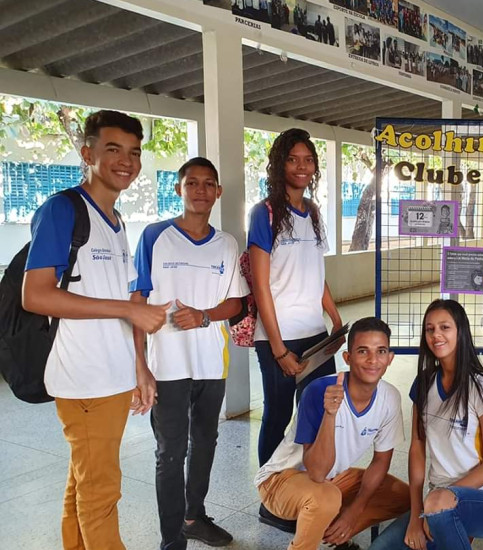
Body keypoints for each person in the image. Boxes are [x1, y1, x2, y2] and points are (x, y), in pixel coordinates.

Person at [22, 110, 170, 549]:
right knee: (101, 491)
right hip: (83, 378)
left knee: (83, 480)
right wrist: (129, 313)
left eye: (134, 152)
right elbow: (37, 295)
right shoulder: (61, 211)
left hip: (113, 375)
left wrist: (140, 368)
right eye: (112, 149)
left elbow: (123, 305)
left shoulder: (117, 222)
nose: (126, 161)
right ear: (87, 153)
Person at [130, 157, 248, 549]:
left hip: (212, 364)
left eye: (207, 184)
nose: (200, 190)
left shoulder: (227, 243)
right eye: (191, 183)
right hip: (167, 367)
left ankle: (194, 516)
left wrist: (203, 316)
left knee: (206, 441)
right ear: (178, 190)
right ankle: (171, 541)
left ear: (218, 192)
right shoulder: (154, 236)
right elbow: (136, 300)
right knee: (169, 453)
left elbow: (236, 305)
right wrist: (140, 365)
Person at [247, 129, 344, 523]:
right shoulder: (265, 213)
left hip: (314, 333)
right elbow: (260, 283)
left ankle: (308, 486)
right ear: (279, 163)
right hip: (279, 334)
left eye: (308, 160)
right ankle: (270, 500)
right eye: (293, 159)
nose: (302, 167)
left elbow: (314, 273)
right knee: (277, 413)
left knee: (322, 409)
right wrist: (277, 347)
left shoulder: (314, 213)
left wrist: (335, 320)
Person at [256, 317, 410, 550]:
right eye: (362, 351)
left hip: (333, 480)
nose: (372, 360)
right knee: (326, 497)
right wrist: (330, 414)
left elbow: (380, 462)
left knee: (404, 496)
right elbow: (316, 472)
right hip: (281, 480)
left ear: (390, 358)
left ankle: (335, 531)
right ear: (347, 358)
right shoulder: (319, 391)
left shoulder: (390, 397)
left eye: (380, 351)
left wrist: (353, 513)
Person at [369, 300, 483, 550]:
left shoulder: (482, 388)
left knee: (439, 512)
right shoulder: (424, 384)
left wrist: (441, 501)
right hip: (436, 501)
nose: (436, 335)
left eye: (445, 327)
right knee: (381, 548)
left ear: (461, 331)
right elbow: (417, 449)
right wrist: (417, 516)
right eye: (430, 329)